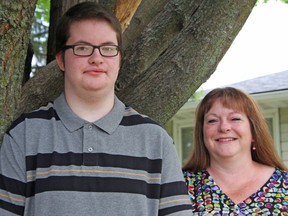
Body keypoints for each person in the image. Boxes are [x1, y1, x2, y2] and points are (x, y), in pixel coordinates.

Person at [0, 2, 191, 215]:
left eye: (108, 48)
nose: (96, 58)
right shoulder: (24, 136)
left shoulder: (156, 141)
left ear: (119, 58)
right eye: (82, 48)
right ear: (61, 59)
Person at [183, 87, 288, 215]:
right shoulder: (181, 186)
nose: (224, 127)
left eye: (235, 119)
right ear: (202, 134)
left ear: (254, 132)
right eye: (212, 120)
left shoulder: (285, 185)